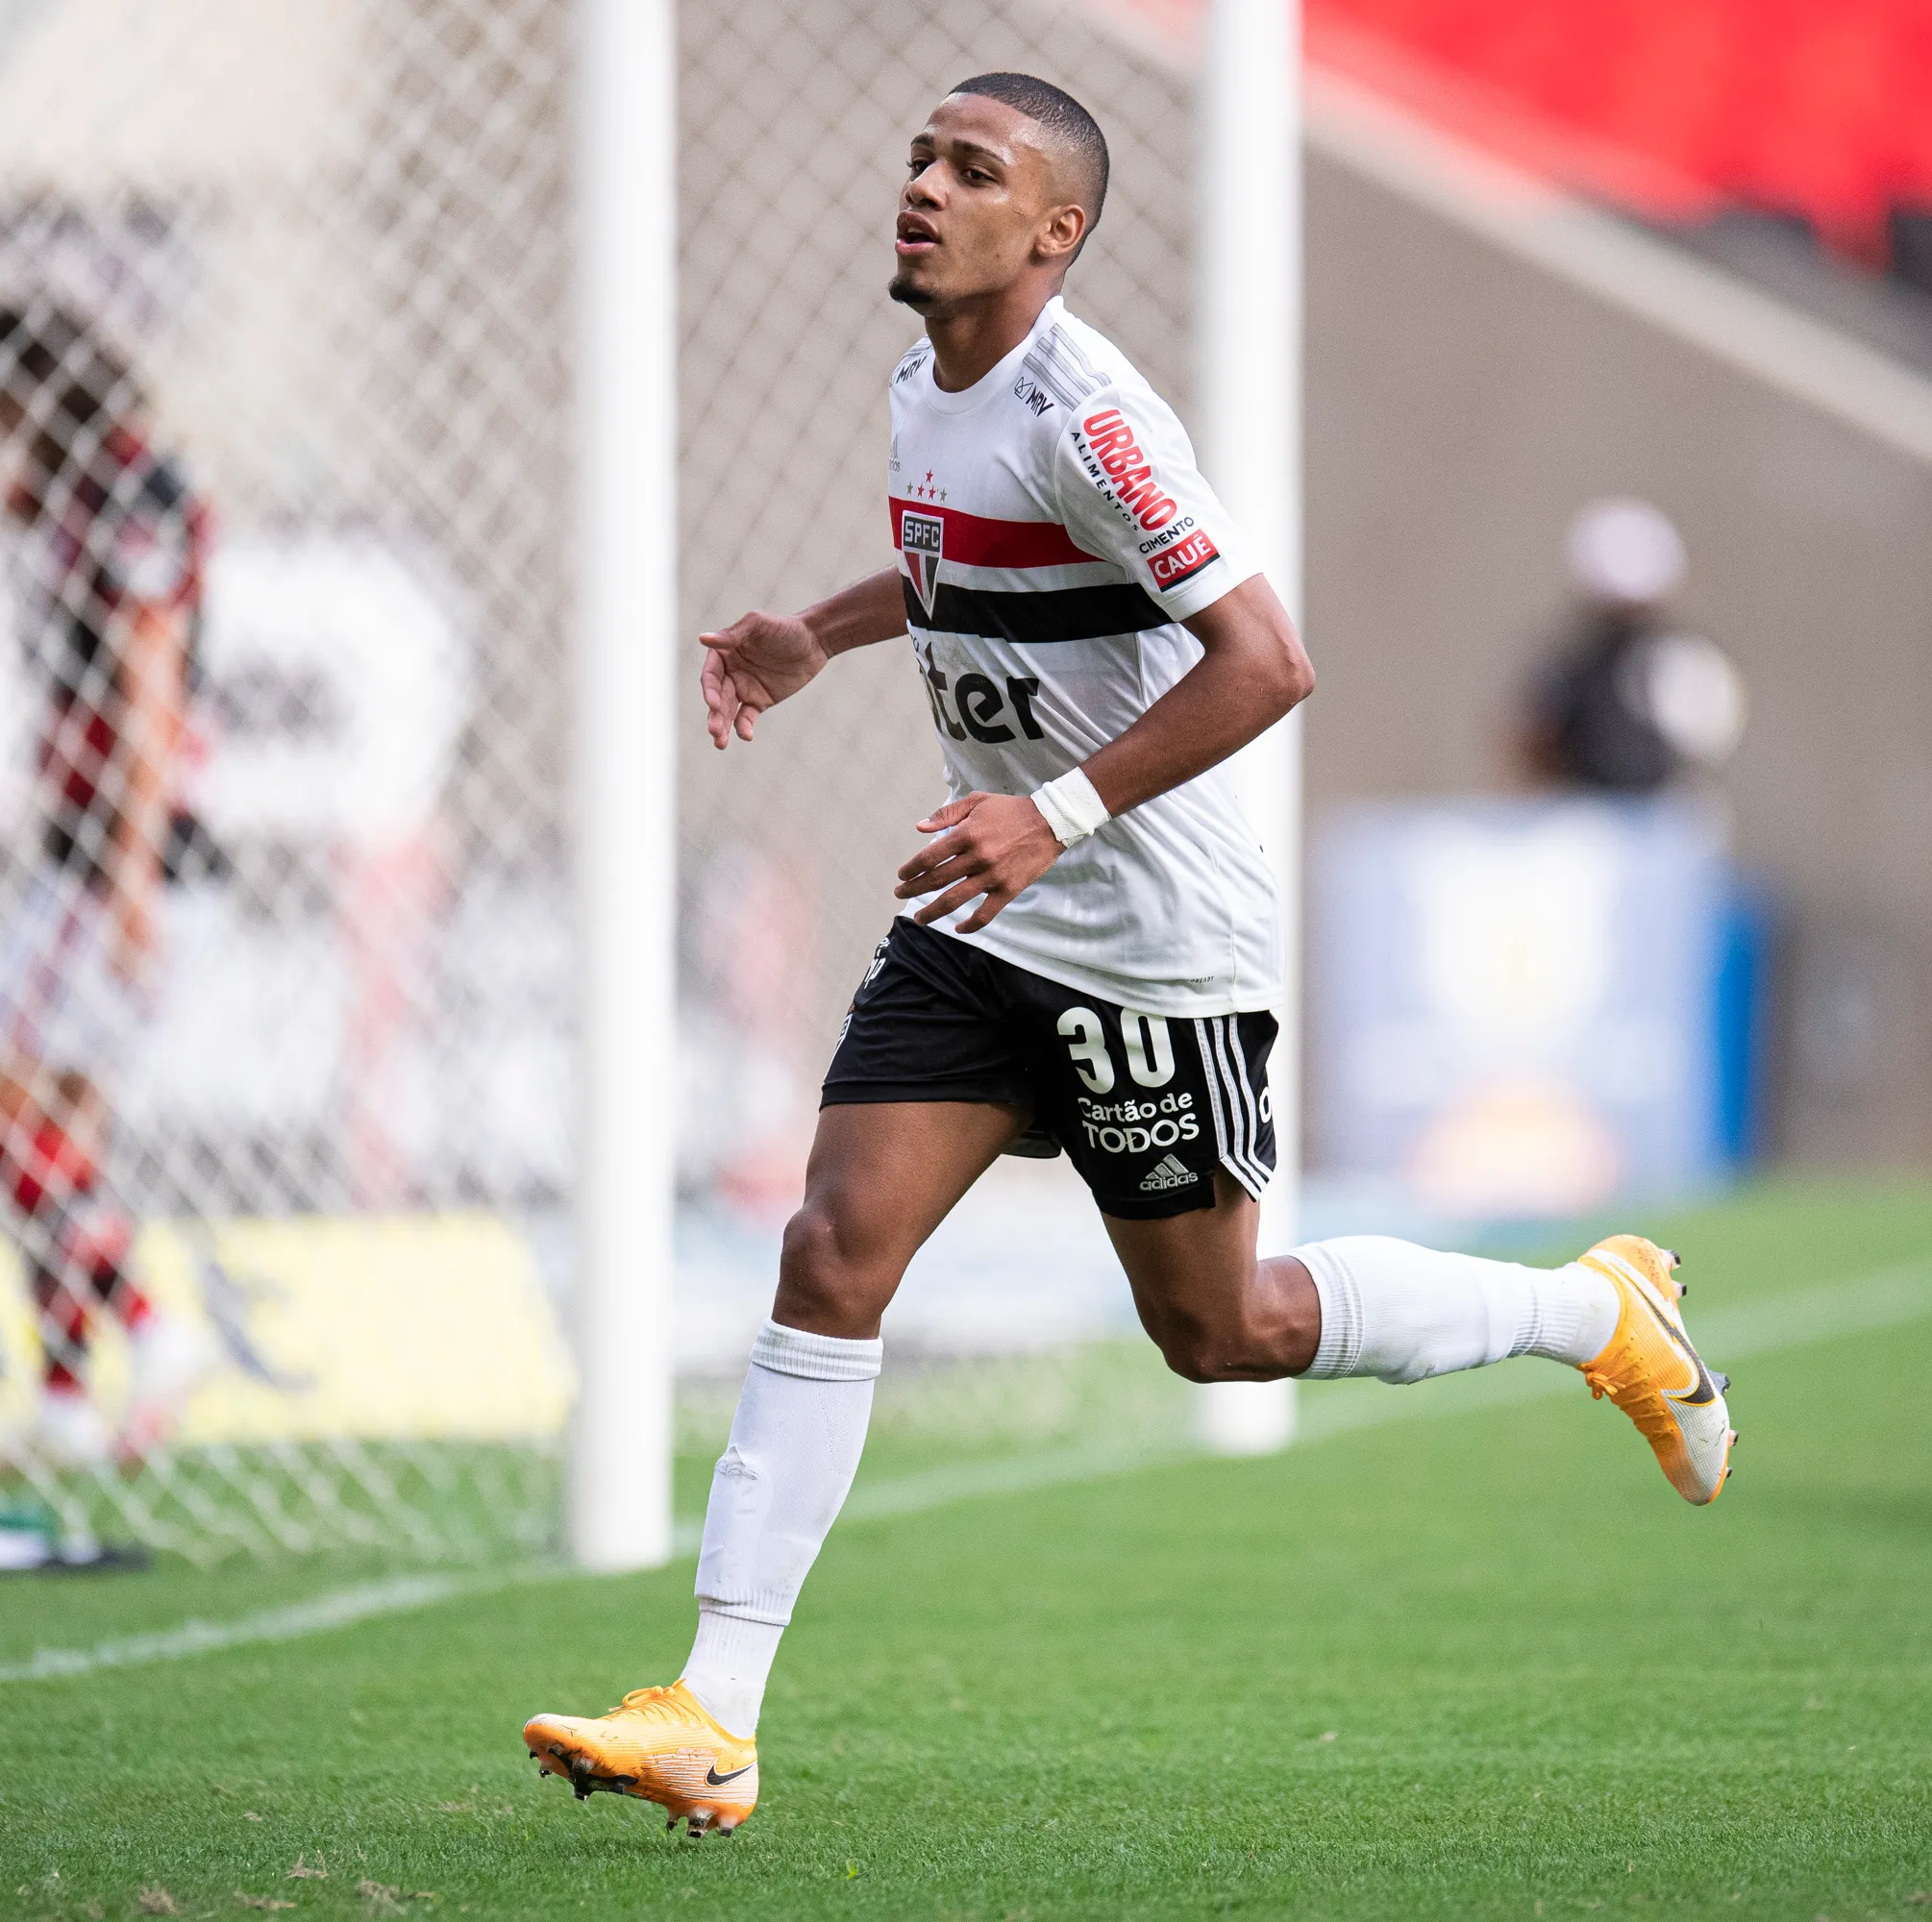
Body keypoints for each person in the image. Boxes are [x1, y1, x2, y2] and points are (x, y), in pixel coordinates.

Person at [519, 73, 1738, 1837]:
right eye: (918, 153)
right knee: (833, 1243)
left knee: (1221, 1332)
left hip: (1149, 933)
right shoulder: (919, 387)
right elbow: (965, 560)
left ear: (1056, 232)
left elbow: (1268, 659)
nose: (921, 186)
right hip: (983, 919)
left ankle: (1596, 1312)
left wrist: (1059, 815)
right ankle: (715, 1712)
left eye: (971, 168)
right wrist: (824, 633)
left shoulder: (1096, 421)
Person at [0, 302, 214, 1466]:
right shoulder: (89, 488)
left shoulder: (131, 497)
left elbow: (150, 682)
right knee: (62, 1143)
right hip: (110, 853)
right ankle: (62, 1399)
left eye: (1, 408)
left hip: (114, 856)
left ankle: (153, 1328)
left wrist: (131, 878)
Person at [1519, 499, 1744, 793]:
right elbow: (1529, 743)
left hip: (1661, 816)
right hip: (1583, 816)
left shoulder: (1685, 666)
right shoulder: (1564, 670)